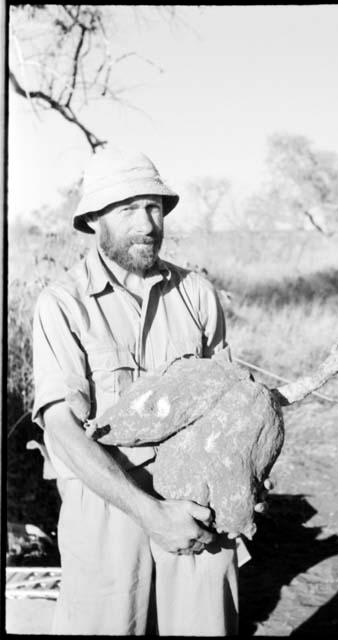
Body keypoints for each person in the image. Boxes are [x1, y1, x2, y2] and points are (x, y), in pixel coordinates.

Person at [32, 149, 270, 636]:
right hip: (106, 507)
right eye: (127, 209)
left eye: (154, 207)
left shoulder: (197, 294)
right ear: (94, 218)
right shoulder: (63, 304)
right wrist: (148, 512)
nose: (146, 223)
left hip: (197, 503)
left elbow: (230, 409)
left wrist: (247, 476)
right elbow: (62, 429)